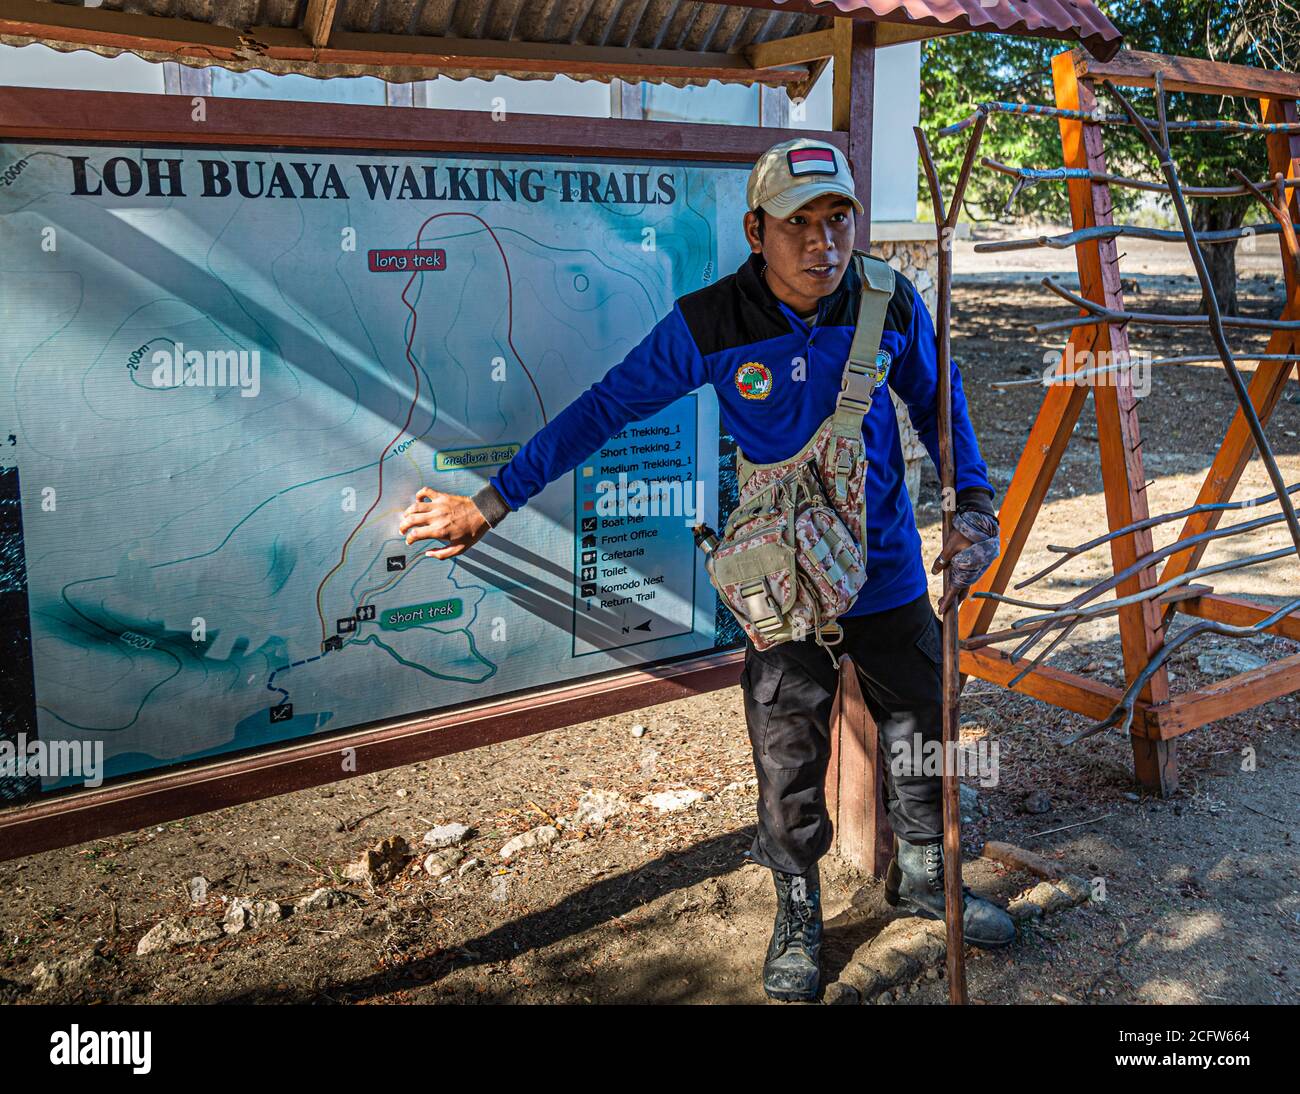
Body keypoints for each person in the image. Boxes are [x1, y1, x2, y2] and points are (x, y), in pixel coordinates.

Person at [399, 137, 1015, 1002]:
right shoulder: (711, 321)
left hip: (885, 572)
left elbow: (938, 395)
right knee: (787, 744)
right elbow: (606, 407)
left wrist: (974, 501)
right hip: (779, 585)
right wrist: (491, 503)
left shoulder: (891, 300)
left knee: (919, 718)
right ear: (755, 231)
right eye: (798, 223)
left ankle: (923, 876)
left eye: (837, 219)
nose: (823, 243)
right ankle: (798, 907)